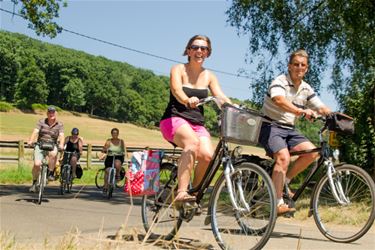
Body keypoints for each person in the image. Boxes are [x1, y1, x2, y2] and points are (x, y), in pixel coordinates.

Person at [258, 49, 332, 215]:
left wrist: (333, 115)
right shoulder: (280, 81)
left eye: (303, 65)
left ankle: (284, 181)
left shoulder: (306, 88)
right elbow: (279, 100)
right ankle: (277, 203)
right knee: (283, 157)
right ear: (289, 66)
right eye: (296, 64)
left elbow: (320, 106)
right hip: (270, 126)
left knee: (312, 153)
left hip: (289, 129)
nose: (299, 67)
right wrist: (300, 111)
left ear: (307, 68)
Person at [159, 35, 231, 203]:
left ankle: (193, 194)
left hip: (196, 123)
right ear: (188, 50)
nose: (199, 51)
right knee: (192, 143)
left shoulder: (209, 76)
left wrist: (235, 109)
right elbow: (176, 90)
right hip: (174, 118)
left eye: (204, 48)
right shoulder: (178, 69)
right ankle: (181, 192)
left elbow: (219, 96)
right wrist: (186, 99)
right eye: (196, 47)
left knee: (208, 156)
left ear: (208, 53)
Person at [28, 106, 65, 192]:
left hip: (52, 144)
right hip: (40, 144)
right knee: (37, 164)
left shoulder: (60, 124)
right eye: (49, 112)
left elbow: (61, 135)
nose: (51, 114)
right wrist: (31, 140)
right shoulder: (41, 122)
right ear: (47, 113)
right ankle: (34, 183)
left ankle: (51, 173)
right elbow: (35, 131)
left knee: (53, 154)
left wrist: (62, 144)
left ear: (55, 114)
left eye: (53, 112)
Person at [99, 128, 126, 194]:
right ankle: (105, 186)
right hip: (110, 156)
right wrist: (104, 151)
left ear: (118, 134)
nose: (114, 134)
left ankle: (117, 174)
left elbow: (123, 149)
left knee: (117, 164)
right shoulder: (109, 141)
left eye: (116, 133)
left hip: (119, 156)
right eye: (113, 133)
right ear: (111, 134)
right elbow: (105, 147)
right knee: (107, 170)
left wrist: (123, 153)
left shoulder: (121, 141)